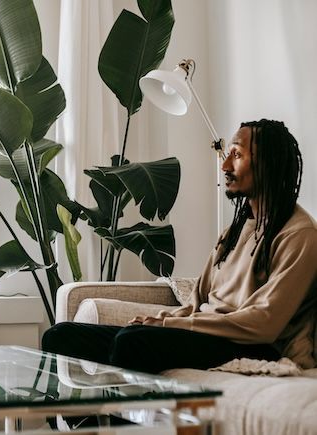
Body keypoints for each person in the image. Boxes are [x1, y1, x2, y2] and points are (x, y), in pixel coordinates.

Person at [42, 119, 317, 374]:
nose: (225, 167)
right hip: (206, 335)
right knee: (61, 336)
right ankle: (93, 425)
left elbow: (264, 323)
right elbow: (196, 303)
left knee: (132, 343)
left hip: (254, 346)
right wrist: (162, 319)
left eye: (236, 154)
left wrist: (170, 325)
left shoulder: (299, 235)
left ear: (268, 164)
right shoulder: (234, 232)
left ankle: (123, 424)